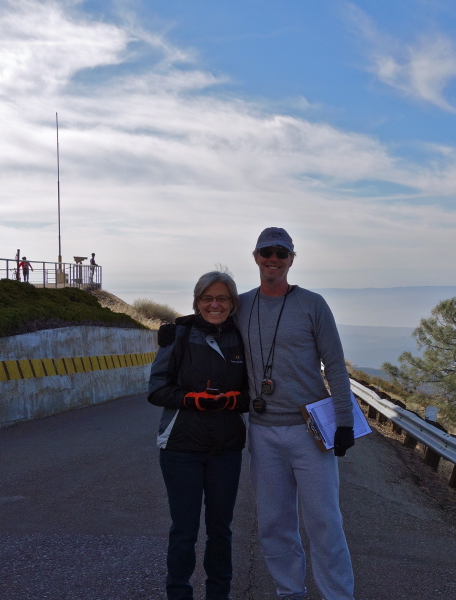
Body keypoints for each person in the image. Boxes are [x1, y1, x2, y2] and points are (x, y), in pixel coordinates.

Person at [236, 226, 356, 600]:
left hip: (310, 431)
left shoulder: (312, 304)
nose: (274, 259)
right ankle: (289, 592)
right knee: (274, 523)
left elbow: (334, 365)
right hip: (262, 431)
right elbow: (207, 318)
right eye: (267, 252)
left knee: (325, 522)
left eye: (281, 253)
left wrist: (345, 422)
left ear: (291, 259)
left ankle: (338, 596)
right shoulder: (241, 305)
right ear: (255, 257)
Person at [148, 271, 249, 600]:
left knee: (221, 530)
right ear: (197, 301)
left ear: (233, 303)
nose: (215, 304)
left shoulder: (243, 336)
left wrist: (236, 400)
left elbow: (255, 393)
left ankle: (218, 595)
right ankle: (179, 595)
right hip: (181, 447)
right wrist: (193, 399)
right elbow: (157, 390)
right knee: (185, 531)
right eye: (208, 298)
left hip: (227, 447)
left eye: (222, 298)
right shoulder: (178, 334)